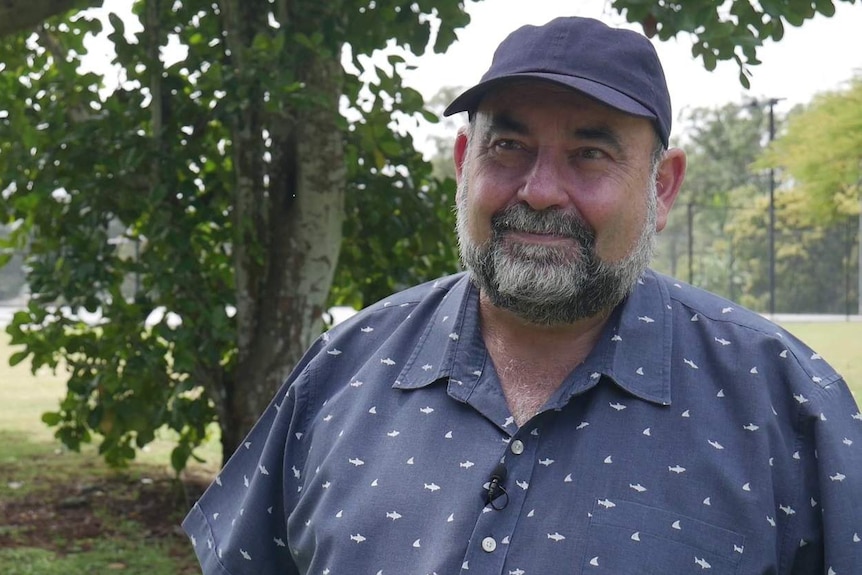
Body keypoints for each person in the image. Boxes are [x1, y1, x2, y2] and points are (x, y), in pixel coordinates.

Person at [183, 16, 862, 575]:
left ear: (661, 188)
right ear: (462, 165)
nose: (538, 191)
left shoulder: (787, 407)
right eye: (507, 146)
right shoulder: (340, 370)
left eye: (589, 154)